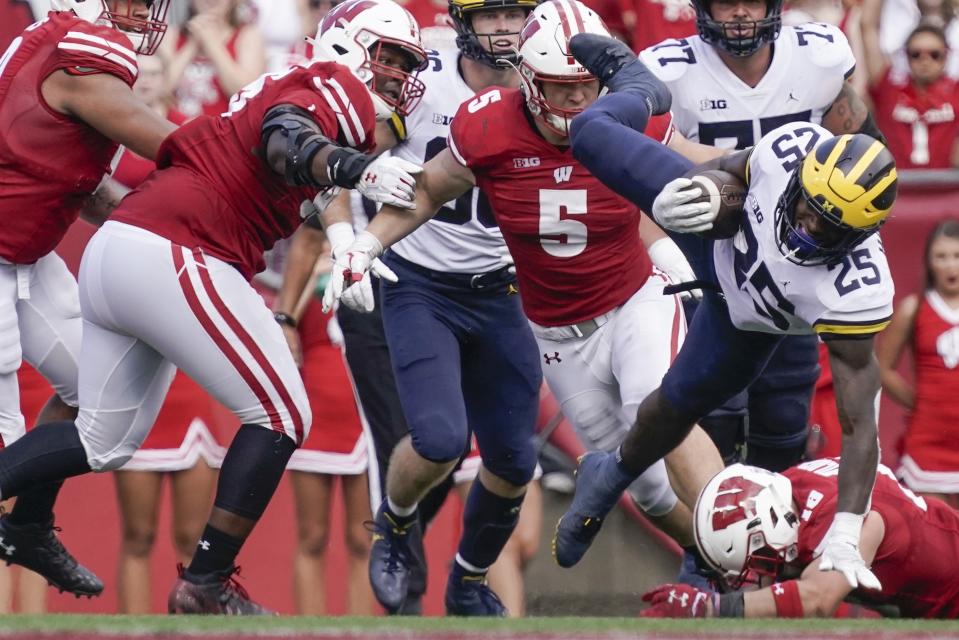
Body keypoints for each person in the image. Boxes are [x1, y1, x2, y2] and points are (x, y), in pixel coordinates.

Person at [0, 0, 428, 615]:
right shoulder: (330, 85)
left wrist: (343, 235)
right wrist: (354, 167)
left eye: (405, 63)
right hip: (176, 249)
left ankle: (28, 525)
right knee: (281, 414)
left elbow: (305, 166)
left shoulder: (311, 85)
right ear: (347, 47)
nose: (395, 75)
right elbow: (289, 138)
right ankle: (205, 582)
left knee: (103, 439)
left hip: (123, 246)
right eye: (387, 58)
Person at [324, 0, 726, 603]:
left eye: (583, 87)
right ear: (529, 80)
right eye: (558, 89)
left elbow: (699, 165)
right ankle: (400, 525)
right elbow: (411, 182)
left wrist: (766, 171)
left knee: (646, 410)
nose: (572, 104)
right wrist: (354, 241)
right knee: (640, 484)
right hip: (513, 312)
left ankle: (735, 549)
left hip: (600, 295)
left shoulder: (627, 110)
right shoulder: (475, 114)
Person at [551, 33, 897, 592]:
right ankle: (636, 85)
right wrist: (695, 196)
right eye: (809, 210)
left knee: (674, 406)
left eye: (829, 228)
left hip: (745, 325)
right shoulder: (793, 150)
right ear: (804, 179)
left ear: (861, 235)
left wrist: (846, 529)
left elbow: (861, 428)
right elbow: (733, 169)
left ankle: (611, 471)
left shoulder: (855, 290)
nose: (808, 229)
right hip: (712, 234)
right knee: (589, 133)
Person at [319, 0, 543, 617]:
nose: (504, 29)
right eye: (490, 16)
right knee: (441, 439)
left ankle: (467, 580)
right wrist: (344, 242)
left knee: (515, 460)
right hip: (421, 281)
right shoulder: (421, 83)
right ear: (462, 22)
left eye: (514, 15)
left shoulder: (546, 76)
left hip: (503, 288)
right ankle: (394, 525)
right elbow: (330, 160)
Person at [638, 0, 886, 478]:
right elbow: (646, 170)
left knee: (785, 422)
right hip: (711, 267)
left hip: (795, 263)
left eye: (751, 0)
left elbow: (865, 147)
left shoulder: (819, 56)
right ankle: (708, 546)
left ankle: (775, 542)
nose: (739, 13)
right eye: (725, 2)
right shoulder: (668, 70)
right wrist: (666, 253)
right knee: (715, 418)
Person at [0, 0, 174, 598]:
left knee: (96, 394)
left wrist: (162, 226)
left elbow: (83, 183)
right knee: (3, 442)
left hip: (29, 255)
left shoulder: (56, 49)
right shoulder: (75, 48)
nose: (143, 12)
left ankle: (26, 526)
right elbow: (176, 147)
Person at [108, 53, 224, 615]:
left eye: (155, 73)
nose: (147, 82)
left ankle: (190, 625)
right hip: (133, 328)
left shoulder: (190, 135)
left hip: (189, 333)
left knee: (190, 539)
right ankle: (129, 630)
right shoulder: (104, 135)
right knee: (135, 535)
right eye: (138, 74)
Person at [640, 459, 959, 618]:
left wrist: (709, 607)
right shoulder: (791, 488)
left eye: (759, 557)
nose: (760, 575)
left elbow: (818, 599)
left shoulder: (851, 518)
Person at [877, 219, 959, 509]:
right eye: (941, 256)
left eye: (957, 256)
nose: (950, 265)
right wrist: (917, 401)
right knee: (934, 533)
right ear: (929, 262)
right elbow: (881, 367)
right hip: (929, 441)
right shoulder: (915, 308)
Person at [861, 18, 959, 168]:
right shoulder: (888, 88)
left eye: (934, 54)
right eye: (915, 54)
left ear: (946, 55)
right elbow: (868, 27)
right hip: (897, 188)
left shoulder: (956, 92)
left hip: (948, 188)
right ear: (906, 55)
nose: (925, 60)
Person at [162, 0, 266, 119]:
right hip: (175, 130)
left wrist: (211, 44)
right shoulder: (171, 35)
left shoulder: (248, 35)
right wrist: (192, 45)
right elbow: (159, 90)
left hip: (224, 132)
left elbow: (245, 93)